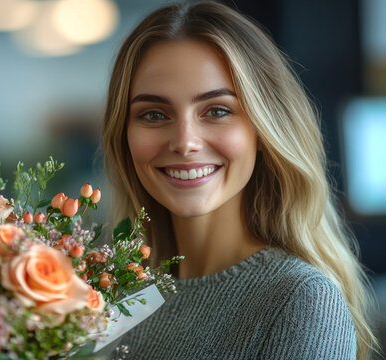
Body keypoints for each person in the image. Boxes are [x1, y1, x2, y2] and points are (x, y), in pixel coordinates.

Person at [101, 2, 380, 359]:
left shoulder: (299, 299)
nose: (185, 142)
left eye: (217, 111)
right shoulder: (125, 292)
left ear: (263, 131)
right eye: (153, 114)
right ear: (123, 135)